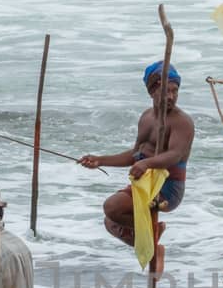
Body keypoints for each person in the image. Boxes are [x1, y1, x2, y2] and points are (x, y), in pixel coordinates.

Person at [77, 60, 196, 255]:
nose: (171, 97)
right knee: (112, 223)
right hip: (145, 183)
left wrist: (146, 163)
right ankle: (154, 246)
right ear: (152, 92)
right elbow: (136, 155)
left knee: (112, 207)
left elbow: (175, 155)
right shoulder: (147, 118)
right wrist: (100, 160)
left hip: (167, 187)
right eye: (166, 91)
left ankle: (153, 233)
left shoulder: (182, 122)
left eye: (175, 91)